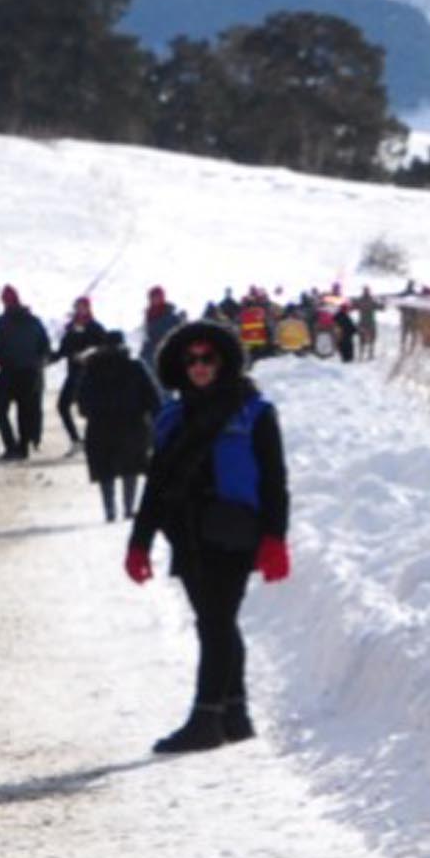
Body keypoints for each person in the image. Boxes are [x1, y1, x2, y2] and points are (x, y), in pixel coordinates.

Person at [124, 317, 291, 755]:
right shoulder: (172, 417)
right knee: (216, 622)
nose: (199, 366)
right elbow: (157, 483)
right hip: (188, 534)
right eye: (191, 359)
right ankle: (235, 714)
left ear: (224, 361)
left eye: (208, 358)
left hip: (234, 531)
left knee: (216, 622)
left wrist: (275, 538)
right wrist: (139, 542)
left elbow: (275, 481)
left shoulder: (254, 412)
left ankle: (205, 717)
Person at [76, 326, 158, 523]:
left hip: (100, 427)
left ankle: (109, 510)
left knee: (105, 470)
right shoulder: (135, 366)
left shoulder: (92, 368)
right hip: (132, 426)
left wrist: (92, 413)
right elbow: (152, 397)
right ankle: (129, 508)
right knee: (131, 468)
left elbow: (81, 401)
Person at [0, 284, 53, 459]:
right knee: (25, 410)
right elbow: (45, 346)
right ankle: (23, 448)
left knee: (0, 409)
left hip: (9, 371)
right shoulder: (34, 320)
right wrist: (38, 363)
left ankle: (12, 447)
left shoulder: (2, 322)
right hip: (31, 372)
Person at [53, 295, 108, 447]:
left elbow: (105, 348)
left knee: (90, 409)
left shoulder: (96, 327)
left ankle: (96, 439)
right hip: (74, 375)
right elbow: (63, 350)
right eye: (77, 307)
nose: (80, 309)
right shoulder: (71, 328)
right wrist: (48, 359)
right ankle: (76, 439)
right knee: (63, 406)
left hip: (92, 375)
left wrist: (90, 354)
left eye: (83, 306)